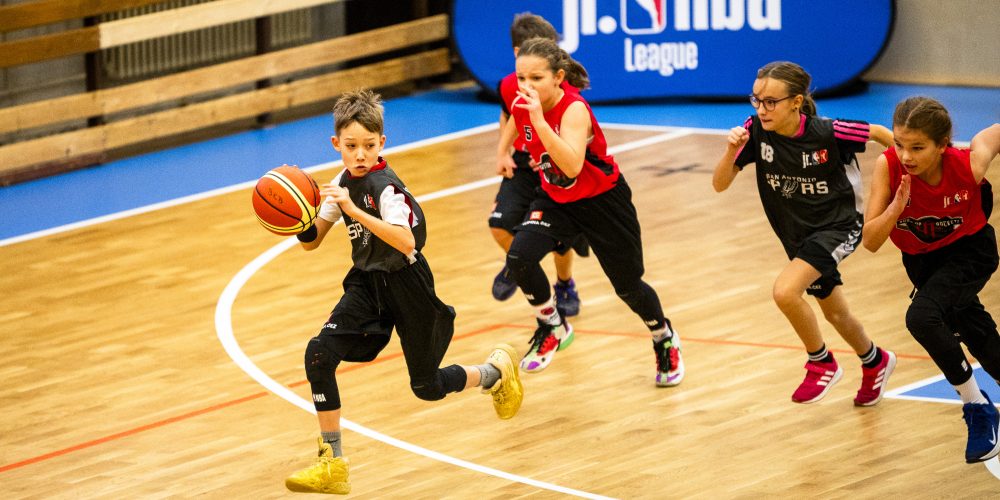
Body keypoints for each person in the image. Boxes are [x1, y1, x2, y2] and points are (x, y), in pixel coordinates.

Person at [284, 89, 524, 495]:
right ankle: (332, 464)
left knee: (426, 386)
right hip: (367, 284)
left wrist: (353, 210)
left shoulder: (385, 188)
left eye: (369, 145)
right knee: (318, 354)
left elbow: (405, 240)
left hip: (407, 282)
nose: (360, 154)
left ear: (382, 143)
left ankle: (495, 373)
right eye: (351, 146)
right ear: (336, 144)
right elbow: (312, 241)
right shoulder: (342, 182)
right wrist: (296, 216)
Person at [712, 61, 896, 406]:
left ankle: (821, 362)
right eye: (756, 100)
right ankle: (875, 361)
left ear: (796, 102)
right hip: (797, 234)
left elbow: (878, 133)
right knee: (836, 313)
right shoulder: (756, 131)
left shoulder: (828, 132)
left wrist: (909, 165)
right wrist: (730, 151)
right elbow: (720, 184)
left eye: (771, 102)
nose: (762, 109)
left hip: (840, 226)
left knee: (785, 292)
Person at [502, 36, 683, 386]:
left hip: (602, 201)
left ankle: (663, 336)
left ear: (558, 77)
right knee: (519, 258)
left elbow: (571, 166)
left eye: (536, 78)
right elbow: (514, 120)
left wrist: (539, 123)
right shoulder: (524, 101)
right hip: (556, 199)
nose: (526, 86)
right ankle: (553, 324)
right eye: (521, 78)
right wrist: (502, 150)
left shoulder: (574, 109)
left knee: (628, 286)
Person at [862, 96, 1000, 463]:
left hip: (970, 252)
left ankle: (977, 407)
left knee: (922, 317)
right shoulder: (888, 167)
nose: (906, 156)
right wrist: (895, 208)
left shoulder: (968, 164)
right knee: (974, 331)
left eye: (917, 147)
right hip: (922, 262)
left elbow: (995, 133)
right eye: (899, 144)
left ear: (942, 145)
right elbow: (871, 241)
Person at [490, 12, 585, 318]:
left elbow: (575, 130)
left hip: (555, 161)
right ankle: (519, 262)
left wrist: (548, 153)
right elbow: (510, 116)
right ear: (519, 53)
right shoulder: (509, 85)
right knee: (498, 225)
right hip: (523, 161)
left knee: (559, 239)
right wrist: (502, 152)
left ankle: (565, 284)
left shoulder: (564, 87)